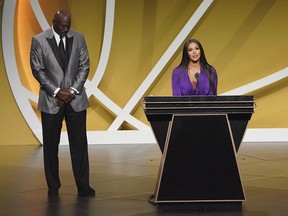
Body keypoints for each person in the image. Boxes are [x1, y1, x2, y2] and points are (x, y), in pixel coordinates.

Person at [30, 10, 95, 197]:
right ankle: (53, 186)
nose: (66, 29)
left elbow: (84, 65)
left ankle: (83, 185)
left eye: (68, 25)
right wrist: (58, 91)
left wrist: (72, 91)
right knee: (51, 145)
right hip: (52, 101)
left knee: (80, 144)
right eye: (62, 26)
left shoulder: (79, 37)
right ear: (54, 22)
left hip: (75, 100)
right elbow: (37, 69)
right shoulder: (39, 40)